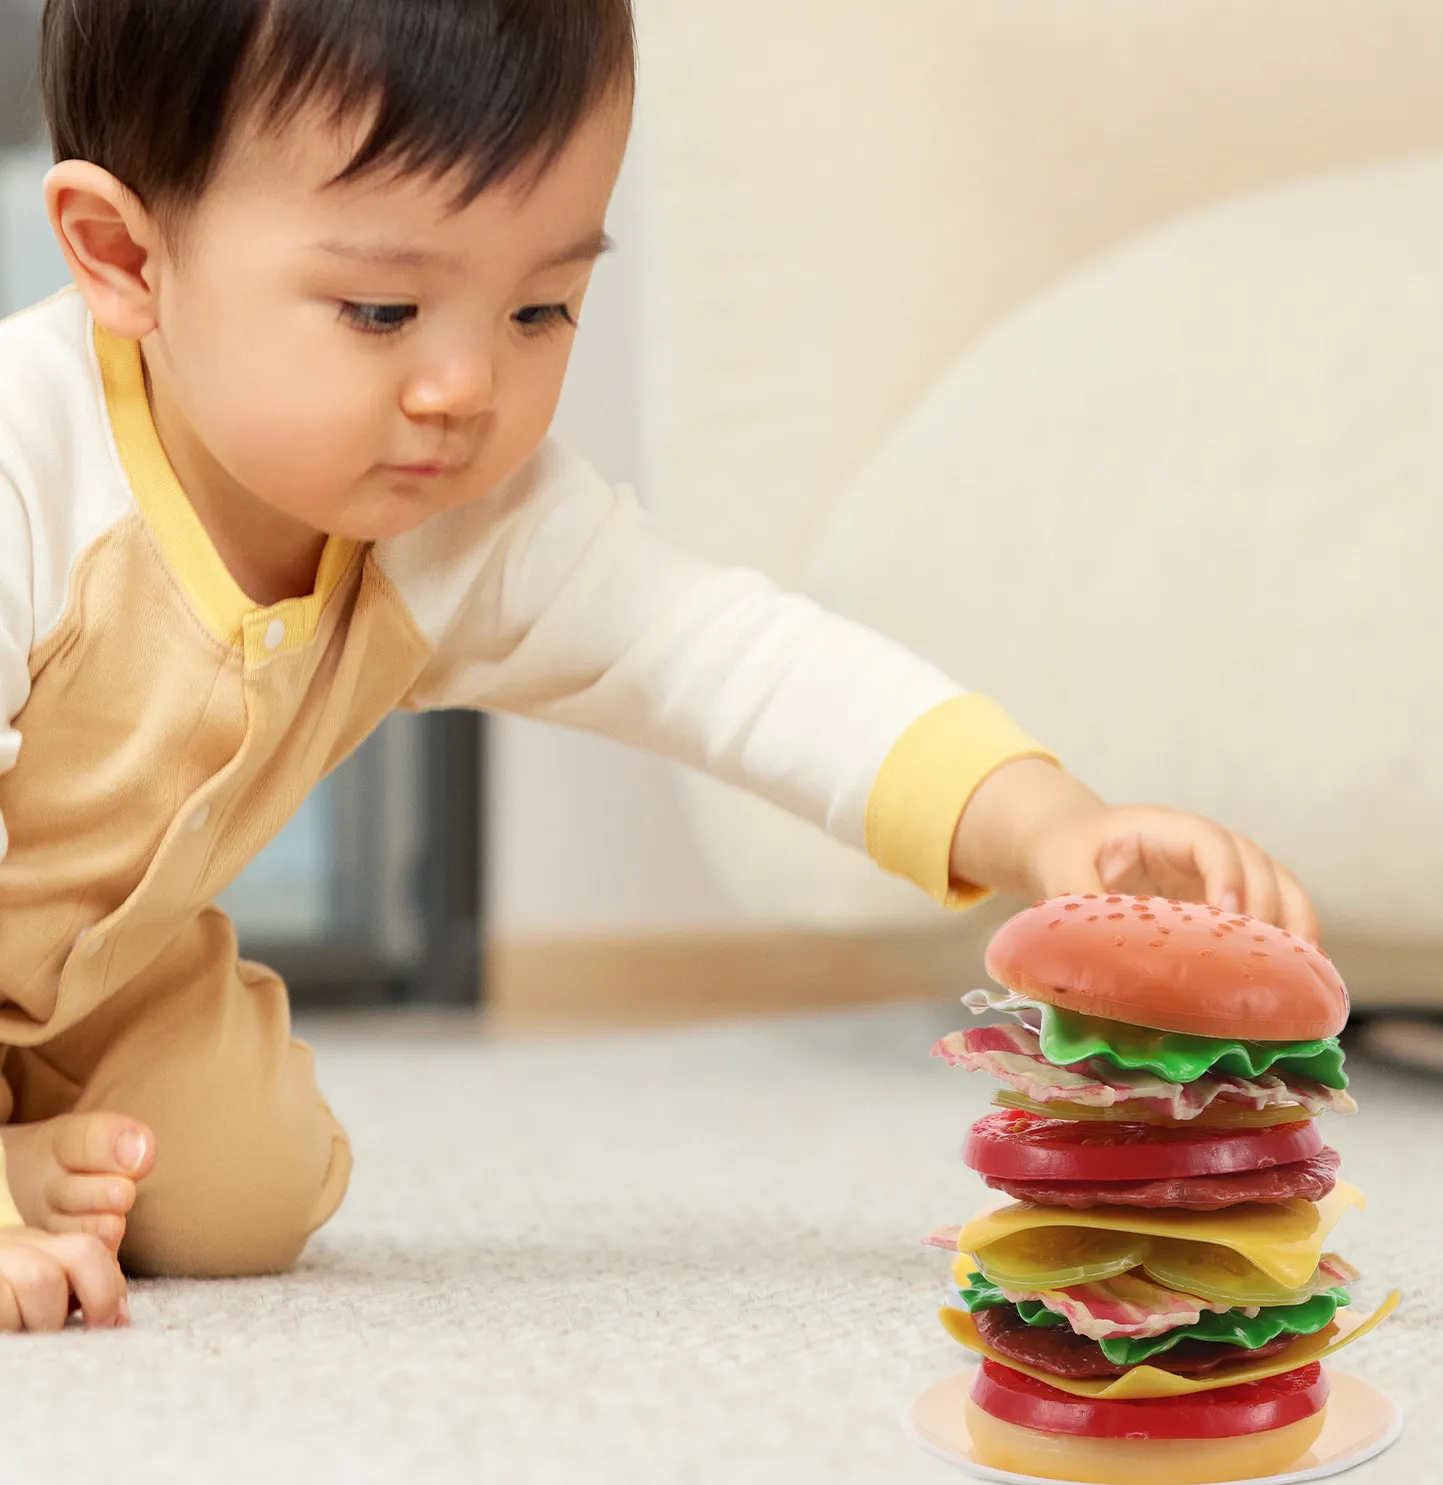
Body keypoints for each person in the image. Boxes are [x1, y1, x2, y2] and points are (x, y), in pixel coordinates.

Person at [0, 0, 1318, 1334]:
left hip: (101, 981)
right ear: (124, 256)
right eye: (383, 308)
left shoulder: (460, 522)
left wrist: (1051, 820)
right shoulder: (27, 461)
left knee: (242, 1202)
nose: (464, 387)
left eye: (540, 307)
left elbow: (735, 663)